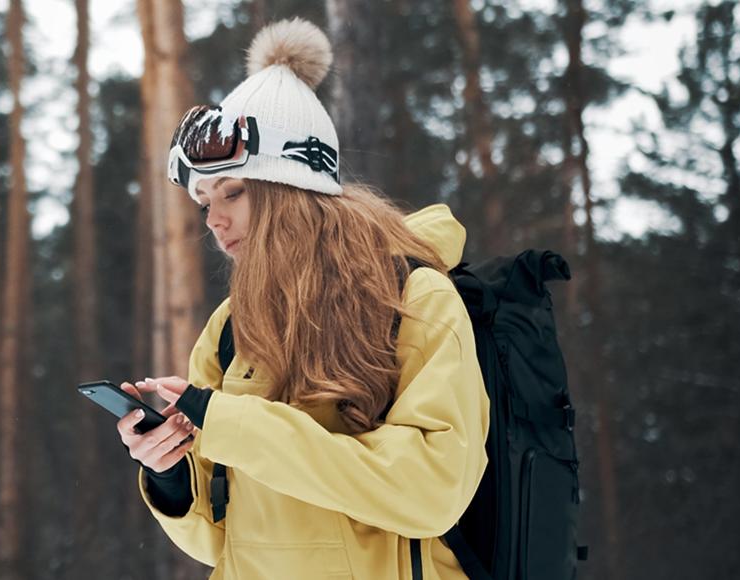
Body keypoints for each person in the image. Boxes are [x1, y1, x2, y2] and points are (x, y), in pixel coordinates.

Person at [114, 18, 489, 580]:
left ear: (292, 188)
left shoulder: (414, 297)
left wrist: (231, 424)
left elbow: (430, 492)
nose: (213, 220)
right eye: (205, 201)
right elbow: (220, 540)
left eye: (233, 191)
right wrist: (169, 474)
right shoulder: (229, 328)